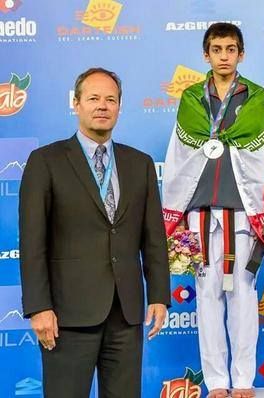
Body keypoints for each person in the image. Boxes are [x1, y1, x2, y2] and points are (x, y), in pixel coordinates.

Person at [19, 67, 171, 398]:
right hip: (66, 315)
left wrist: (159, 294)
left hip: (126, 314)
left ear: (119, 106)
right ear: (76, 104)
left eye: (110, 99)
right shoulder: (45, 161)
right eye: (93, 98)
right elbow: (33, 242)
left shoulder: (140, 163)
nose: (102, 106)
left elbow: (154, 238)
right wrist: (38, 306)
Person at [161, 23, 264, 398]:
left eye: (230, 49)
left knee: (243, 294)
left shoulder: (255, 96)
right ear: (205, 54)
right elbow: (181, 156)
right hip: (200, 212)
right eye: (216, 49)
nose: (224, 56)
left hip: (241, 211)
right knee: (207, 296)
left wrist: (221, 144)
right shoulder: (192, 97)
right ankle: (217, 383)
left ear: (241, 54)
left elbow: (259, 155)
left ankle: (243, 380)